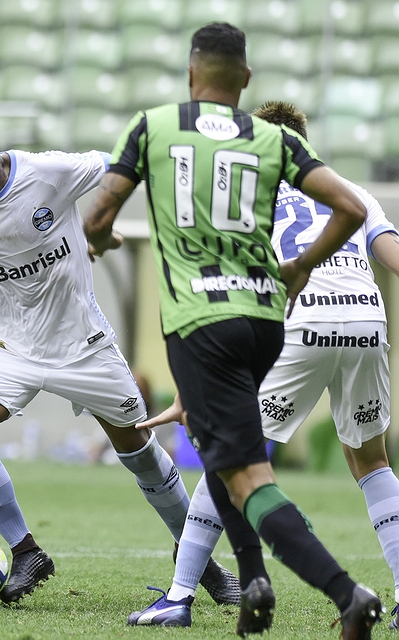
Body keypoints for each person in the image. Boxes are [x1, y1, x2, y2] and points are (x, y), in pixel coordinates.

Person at [0, 98, 239, 605]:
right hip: (7, 349)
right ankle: (27, 552)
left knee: (139, 449)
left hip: (84, 347)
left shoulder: (50, 173)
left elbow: (128, 167)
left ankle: (195, 557)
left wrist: (103, 223)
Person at [83, 23, 382, 638]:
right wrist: (301, 265)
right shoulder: (276, 142)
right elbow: (351, 209)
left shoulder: (153, 127)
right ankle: (253, 581)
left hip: (202, 319)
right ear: (245, 78)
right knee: (231, 450)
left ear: (191, 74)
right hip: (270, 320)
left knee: (244, 474)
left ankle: (342, 593)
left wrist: (102, 240)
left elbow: (98, 215)